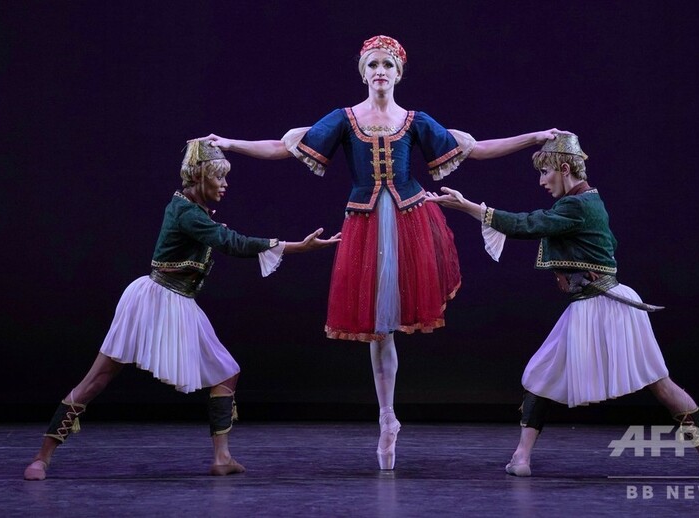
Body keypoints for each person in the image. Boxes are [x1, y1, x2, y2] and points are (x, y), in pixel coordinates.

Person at [196, 35, 560, 470]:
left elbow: (476, 149)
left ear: (399, 73)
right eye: (373, 65)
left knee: (390, 320)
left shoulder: (414, 120)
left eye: (388, 64)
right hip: (366, 226)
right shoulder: (345, 119)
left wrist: (534, 137)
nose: (380, 71)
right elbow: (282, 147)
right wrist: (230, 143)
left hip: (410, 222)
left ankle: (388, 418)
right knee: (378, 326)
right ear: (363, 73)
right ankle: (387, 416)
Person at [22, 140, 340, 481]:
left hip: (180, 301)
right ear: (200, 177)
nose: (225, 184)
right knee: (97, 378)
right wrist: (297, 247)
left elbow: (217, 238)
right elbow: (232, 243)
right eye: (218, 177)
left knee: (226, 372)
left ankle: (222, 457)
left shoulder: (191, 209)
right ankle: (42, 457)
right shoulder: (187, 213)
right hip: (153, 300)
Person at [425, 132, 699, 481]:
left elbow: (528, 224)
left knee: (659, 383)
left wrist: (468, 207)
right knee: (541, 375)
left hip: (610, 306)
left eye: (545, 173)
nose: (542, 181)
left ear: (564, 168)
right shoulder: (586, 200)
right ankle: (520, 457)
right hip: (587, 305)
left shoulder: (577, 205)